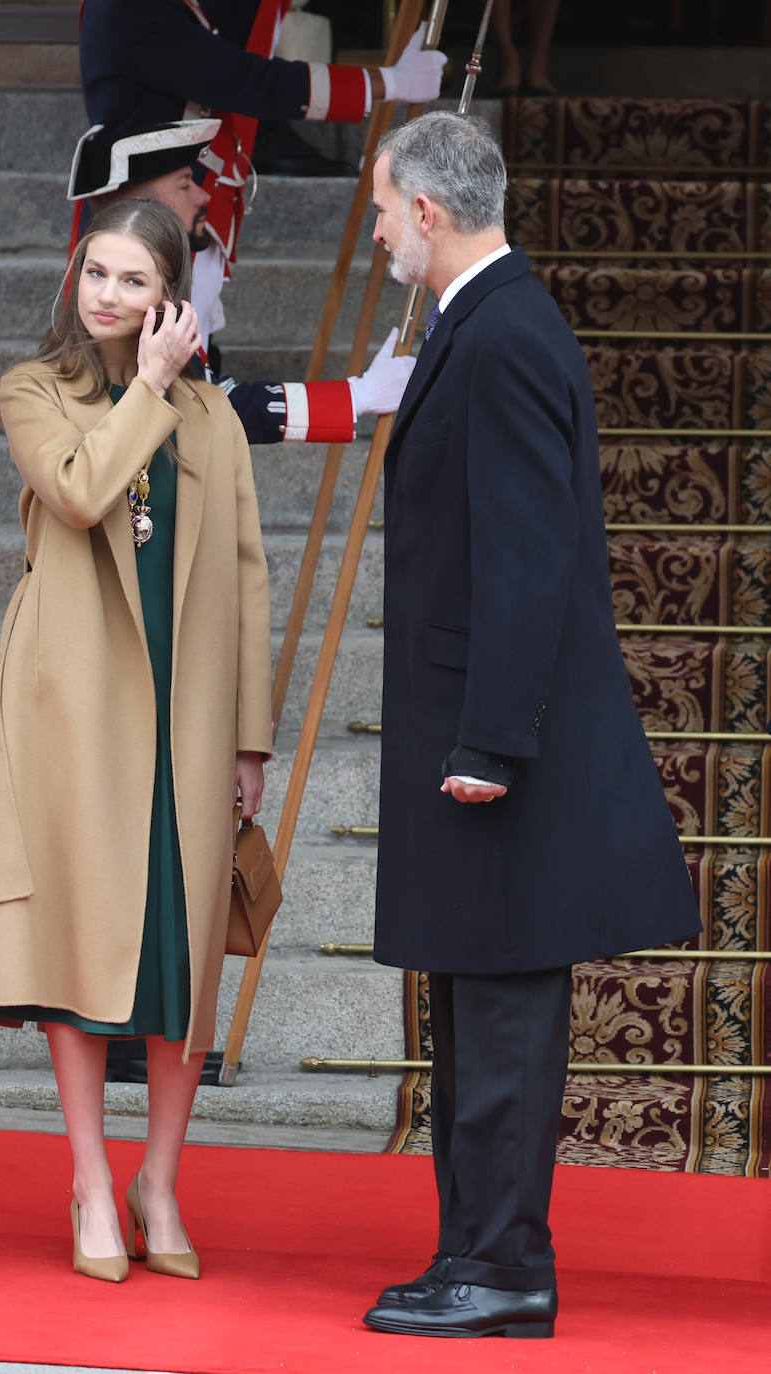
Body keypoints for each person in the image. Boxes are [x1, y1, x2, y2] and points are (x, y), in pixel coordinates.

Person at [364, 112, 700, 1339]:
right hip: (486, 736)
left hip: (499, 749)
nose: (384, 227)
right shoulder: (490, 322)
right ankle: (473, 1251)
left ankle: (502, 1267)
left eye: (388, 208)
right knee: (474, 1008)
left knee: (499, 1016)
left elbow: (525, 558)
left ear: (431, 214)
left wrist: (489, 744)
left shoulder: (501, 335)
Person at [0, 199, 272, 1283]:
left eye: (134, 280)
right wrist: (144, 387)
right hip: (71, 710)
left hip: (188, 713)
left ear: (171, 299)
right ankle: (93, 1180)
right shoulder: (32, 389)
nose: (106, 294)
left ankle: (162, 1180)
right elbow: (85, 491)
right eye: (96, 271)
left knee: (180, 957)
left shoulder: (213, 419)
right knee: (81, 942)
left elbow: (243, 580)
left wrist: (250, 740)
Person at [79, 1, 446, 338]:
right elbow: (239, 78)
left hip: (175, 204)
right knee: (141, 365)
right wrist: (386, 83)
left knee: (187, 361)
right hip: (151, 207)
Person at [68, 118, 417, 444]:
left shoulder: (151, 304)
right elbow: (207, 408)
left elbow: (207, 396)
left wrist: (355, 396)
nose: (203, 196)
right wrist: (356, 396)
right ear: (140, 207)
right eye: (185, 184)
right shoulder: (122, 314)